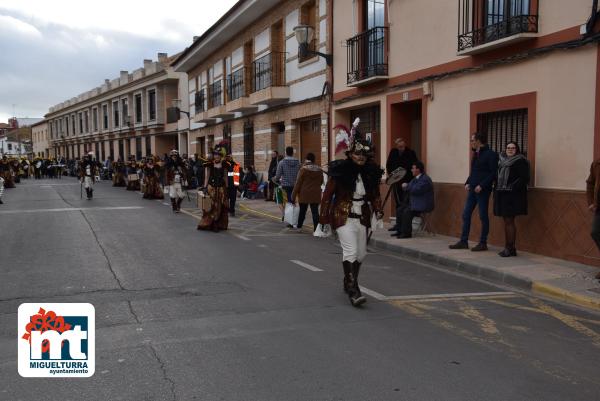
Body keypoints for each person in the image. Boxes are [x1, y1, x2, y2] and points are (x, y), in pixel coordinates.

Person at [319, 125, 384, 307]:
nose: (361, 157)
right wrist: (323, 220)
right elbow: (326, 197)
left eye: (364, 154)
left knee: (361, 255)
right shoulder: (340, 171)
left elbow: (375, 195)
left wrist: (378, 210)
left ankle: (348, 281)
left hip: (362, 217)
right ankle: (354, 289)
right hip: (343, 216)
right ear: (350, 153)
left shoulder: (371, 172)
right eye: (357, 153)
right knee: (351, 251)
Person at [450, 132, 499, 252]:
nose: (471, 142)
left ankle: (483, 243)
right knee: (466, 214)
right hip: (472, 189)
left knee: (483, 216)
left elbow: (494, 173)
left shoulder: (491, 154)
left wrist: (481, 185)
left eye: (472, 140)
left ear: (478, 141)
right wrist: (467, 182)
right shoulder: (476, 154)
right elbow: (474, 172)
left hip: (482, 190)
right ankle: (463, 241)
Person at [493, 142, 530, 257]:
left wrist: (512, 187)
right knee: (507, 221)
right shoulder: (501, 161)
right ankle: (510, 248)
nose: (510, 150)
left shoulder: (521, 161)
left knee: (509, 221)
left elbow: (525, 178)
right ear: (505, 149)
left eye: (513, 148)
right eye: (508, 148)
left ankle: (509, 248)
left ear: (517, 150)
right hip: (502, 194)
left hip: (513, 196)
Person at [391, 161, 434, 238]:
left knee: (407, 211)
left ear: (418, 169)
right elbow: (409, 187)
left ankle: (406, 233)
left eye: (413, 168)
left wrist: (406, 186)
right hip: (415, 203)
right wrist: (406, 186)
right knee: (400, 209)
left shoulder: (425, 179)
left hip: (423, 204)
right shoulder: (415, 179)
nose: (411, 170)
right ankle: (399, 231)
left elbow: (417, 190)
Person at [386, 137, 418, 232]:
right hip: (396, 182)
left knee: (406, 204)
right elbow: (389, 165)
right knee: (398, 204)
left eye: (403, 146)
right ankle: (398, 224)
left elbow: (414, 166)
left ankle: (404, 226)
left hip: (407, 182)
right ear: (397, 146)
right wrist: (393, 177)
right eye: (399, 147)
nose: (401, 148)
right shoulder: (393, 152)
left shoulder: (411, 153)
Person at [198, 143, 230, 231]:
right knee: (210, 207)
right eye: (215, 154)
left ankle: (216, 224)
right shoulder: (209, 164)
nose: (217, 156)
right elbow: (207, 176)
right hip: (211, 188)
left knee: (219, 206)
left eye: (218, 155)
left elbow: (225, 177)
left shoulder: (224, 165)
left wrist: (227, 188)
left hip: (220, 189)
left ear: (221, 156)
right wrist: (204, 187)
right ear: (213, 155)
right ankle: (209, 223)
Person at [292, 153, 323, 231]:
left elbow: (298, 183)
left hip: (304, 193)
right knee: (315, 212)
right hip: (315, 193)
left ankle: (299, 227)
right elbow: (321, 181)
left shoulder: (303, 169)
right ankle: (316, 230)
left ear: (306, 159)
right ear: (314, 159)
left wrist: (293, 195)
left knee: (302, 211)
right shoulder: (319, 169)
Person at [586, 157, 600, 279]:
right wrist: (590, 202)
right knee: (595, 232)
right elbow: (590, 183)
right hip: (599, 206)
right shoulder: (596, 163)